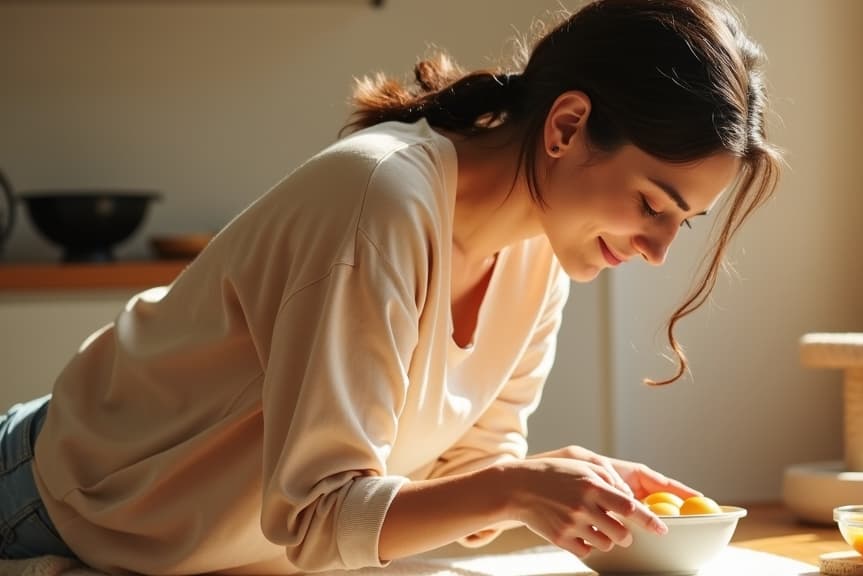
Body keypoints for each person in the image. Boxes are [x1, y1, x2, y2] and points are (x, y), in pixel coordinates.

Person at [0, 0, 781, 573]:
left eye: (684, 221)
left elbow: (452, 476)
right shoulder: (381, 199)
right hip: (50, 496)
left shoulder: (544, 253)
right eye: (652, 204)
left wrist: (550, 483)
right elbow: (315, 517)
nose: (655, 250)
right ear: (567, 126)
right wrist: (511, 489)